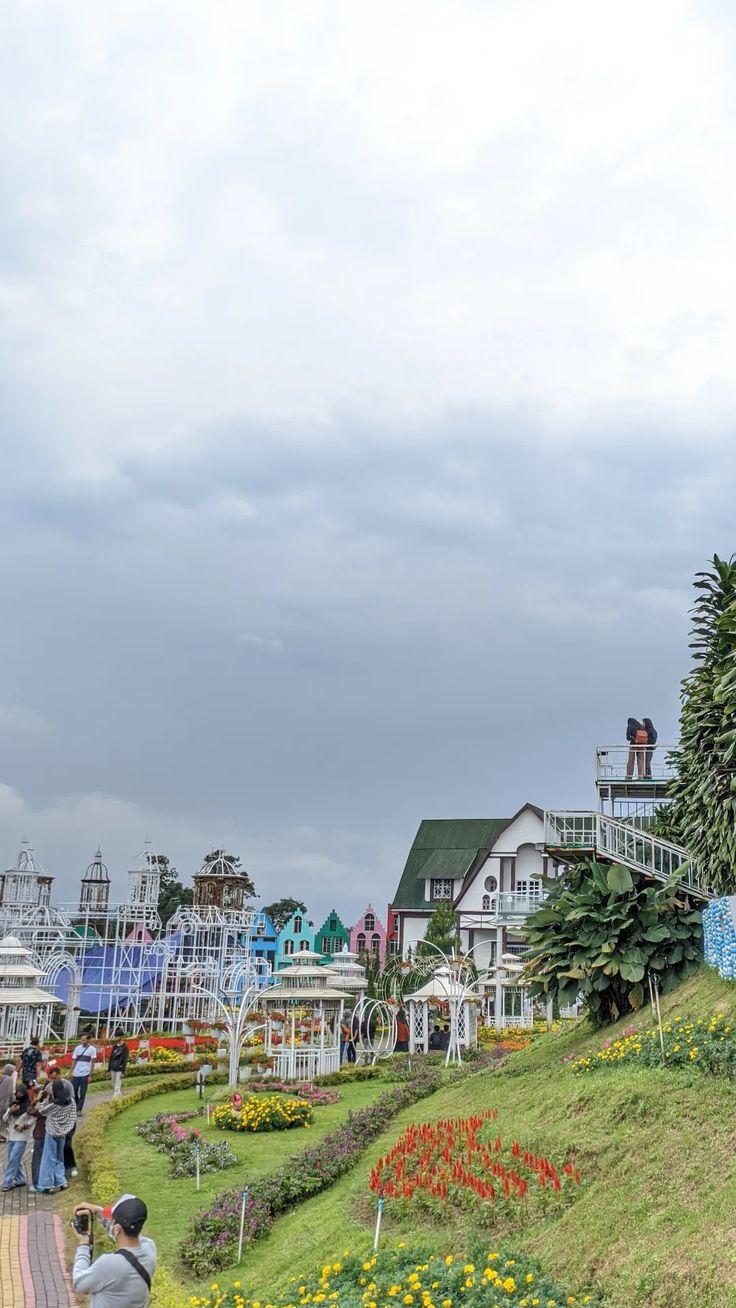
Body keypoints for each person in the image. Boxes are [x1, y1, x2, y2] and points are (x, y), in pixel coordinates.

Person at [72, 1193, 156, 1308]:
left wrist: (83, 1244)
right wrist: (98, 1211)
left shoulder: (109, 1264)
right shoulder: (150, 1249)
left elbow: (79, 1283)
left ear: (117, 1229)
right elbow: (119, 1232)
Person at [38, 1077, 77, 1192]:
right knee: (60, 1158)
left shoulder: (54, 1105)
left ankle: (48, 1184)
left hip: (51, 1133)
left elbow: (42, 1111)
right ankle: (61, 1181)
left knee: (48, 1158)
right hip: (63, 1133)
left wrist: (45, 1099)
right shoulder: (71, 1102)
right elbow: (74, 1116)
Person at [1, 1085, 33, 1190]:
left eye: (21, 1093)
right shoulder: (13, 1104)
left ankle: (7, 1183)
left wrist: (24, 1125)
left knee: (13, 1160)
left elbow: (33, 1119)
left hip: (21, 1137)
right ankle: (20, 1179)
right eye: (17, 1093)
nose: (18, 1095)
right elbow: (5, 1119)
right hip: (11, 1136)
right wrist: (10, 1111)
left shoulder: (29, 1107)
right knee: (14, 1159)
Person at [71, 1030, 97, 1116]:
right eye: (81, 1040)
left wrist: (90, 1075)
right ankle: (77, 1104)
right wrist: (71, 1071)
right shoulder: (77, 1048)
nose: (82, 1041)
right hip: (76, 1073)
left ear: (88, 1040)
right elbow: (74, 1061)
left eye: (84, 1040)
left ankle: (79, 1109)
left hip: (85, 1074)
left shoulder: (92, 1049)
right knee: (73, 1091)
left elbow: (93, 1063)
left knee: (83, 1092)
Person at [108, 1032, 129, 1099]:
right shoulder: (115, 1046)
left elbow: (125, 1059)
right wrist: (108, 1069)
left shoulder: (125, 1047)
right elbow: (111, 1058)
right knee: (113, 1084)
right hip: (112, 1067)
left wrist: (123, 1071)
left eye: (117, 1037)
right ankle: (120, 1096)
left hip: (119, 1068)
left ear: (121, 1037)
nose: (116, 1038)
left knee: (117, 1084)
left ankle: (114, 1099)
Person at [0, 1063, 16, 1143]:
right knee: (4, 1120)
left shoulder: (2, 1078)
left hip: (0, 1100)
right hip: (5, 1102)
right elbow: (10, 1092)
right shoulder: (9, 1079)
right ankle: (3, 1136)